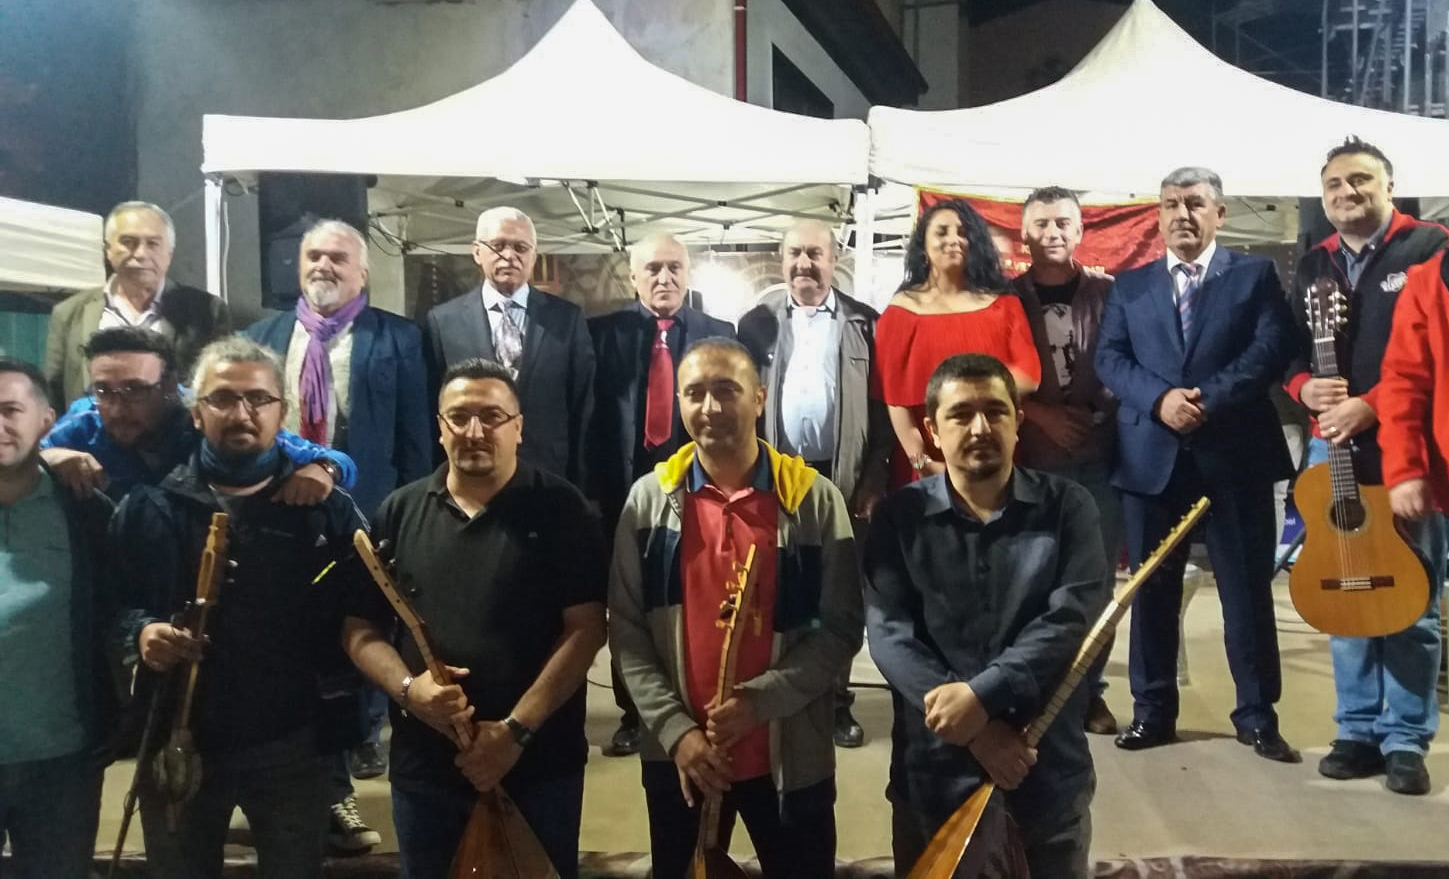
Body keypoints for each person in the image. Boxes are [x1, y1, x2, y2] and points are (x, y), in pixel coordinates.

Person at [111, 336, 369, 878]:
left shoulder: (326, 511)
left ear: (283, 410)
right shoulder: (150, 506)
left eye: (258, 399)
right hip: (179, 737)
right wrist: (142, 633)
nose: (241, 413)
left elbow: (367, 611)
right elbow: (112, 603)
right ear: (196, 411)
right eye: (223, 398)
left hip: (295, 744)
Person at [342, 358, 606, 879]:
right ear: (440, 428)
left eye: (492, 416)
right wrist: (409, 691)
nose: (475, 431)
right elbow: (360, 630)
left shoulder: (562, 509)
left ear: (519, 427)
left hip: (538, 765)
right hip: (426, 771)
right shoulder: (398, 512)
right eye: (459, 417)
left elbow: (587, 628)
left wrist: (514, 732)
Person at [609, 338, 863, 879]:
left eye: (727, 390)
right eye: (695, 393)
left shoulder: (814, 501)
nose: (710, 407)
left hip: (790, 758)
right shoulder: (649, 503)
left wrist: (761, 700)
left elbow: (839, 628)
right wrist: (676, 731)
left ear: (760, 398)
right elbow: (628, 632)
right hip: (683, 759)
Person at [865, 353, 1110, 878]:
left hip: (1043, 775)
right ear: (932, 430)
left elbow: (1071, 620)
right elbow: (889, 635)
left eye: (995, 411)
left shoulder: (1069, 508)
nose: (980, 428)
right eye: (961, 414)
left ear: (1018, 421)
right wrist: (979, 733)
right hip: (933, 779)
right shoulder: (898, 518)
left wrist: (980, 697)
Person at [1095, 166, 1299, 762]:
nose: (1182, 214)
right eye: (1170, 204)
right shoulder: (1129, 286)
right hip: (1150, 459)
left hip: (1235, 456)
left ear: (1219, 213)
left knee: (1246, 595)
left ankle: (1257, 717)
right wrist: (1160, 400)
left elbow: (1270, 349)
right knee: (1151, 593)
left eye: (1194, 203)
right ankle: (1153, 712)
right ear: (1158, 215)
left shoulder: (1255, 275)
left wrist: (1206, 399)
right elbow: (1110, 358)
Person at [245, 218, 431, 842]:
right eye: (314, 256)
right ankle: (315, 778)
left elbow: (415, 438)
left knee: (364, 629)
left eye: (338, 258)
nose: (323, 266)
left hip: (365, 514)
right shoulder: (261, 338)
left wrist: (410, 513)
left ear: (363, 272)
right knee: (293, 647)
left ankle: (362, 736)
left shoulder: (398, 338)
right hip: (279, 522)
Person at [1285, 137, 1448, 795]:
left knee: (1412, 599)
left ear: (1388, 185)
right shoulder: (1313, 262)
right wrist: (1303, 387)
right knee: (1342, 586)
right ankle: (1354, 728)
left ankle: (1405, 737)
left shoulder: (1429, 248)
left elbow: (1423, 361)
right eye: (1333, 184)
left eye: (1359, 180)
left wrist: (1369, 406)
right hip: (1331, 448)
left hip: (1407, 453)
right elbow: (1289, 350)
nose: (1346, 193)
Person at [736, 220, 890, 749]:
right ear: (782, 260)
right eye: (795, 254)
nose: (804, 264)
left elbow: (880, 408)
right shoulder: (756, 324)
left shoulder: (865, 323)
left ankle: (837, 702)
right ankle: (782, 697)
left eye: (815, 254)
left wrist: (874, 477)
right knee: (779, 591)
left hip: (842, 479)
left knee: (837, 596)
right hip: (778, 478)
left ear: (834, 258)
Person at [588, 233, 734, 756]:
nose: (664, 278)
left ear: (688, 274)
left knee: (692, 597)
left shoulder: (719, 334)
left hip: (698, 490)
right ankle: (634, 712)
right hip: (621, 491)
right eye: (653, 268)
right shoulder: (600, 334)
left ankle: (696, 700)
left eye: (674, 267)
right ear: (633, 276)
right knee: (629, 603)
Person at [0, 357, 117, 879]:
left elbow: (121, 609)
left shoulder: (87, 512)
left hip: (61, 761)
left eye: (10, 410)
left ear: (47, 419)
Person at [1011, 186, 1121, 736]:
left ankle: (1088, 692)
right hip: (1031, 459)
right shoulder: (1004, 299)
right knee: (1033, 582)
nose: (1052, 232)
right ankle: (1036, 692)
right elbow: (990, 371)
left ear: (1080, 231)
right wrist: (1039, 415)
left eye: (1063, 223)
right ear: (1023, 234)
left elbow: (1128, 359)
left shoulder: (1110, 293)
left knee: (1094, 583)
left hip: (1100, 458)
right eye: (1042, 224)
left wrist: (1100, 413)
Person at [41, 326, 355, 505]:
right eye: (104, 391)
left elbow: (337, 460)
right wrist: (51, 457)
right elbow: (23, 457)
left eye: (135, 390)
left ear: (170, 387)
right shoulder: (85, 422)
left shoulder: (210, 416)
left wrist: (324, 469)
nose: (117, 408)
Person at [873, 198, 1040, 489]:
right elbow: (894, 400)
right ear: (923, 246)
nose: (953, 239)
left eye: (963, 232)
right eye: (942, 232)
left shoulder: (1003, 304)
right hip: (926, 463)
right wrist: (921, 461)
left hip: (993, 450)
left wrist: (962, 397)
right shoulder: (900, 312)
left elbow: (1030, 376)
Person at [424, 207, 595, 486]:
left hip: (548, 475)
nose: (509, 256)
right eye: (498, 245)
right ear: (477, 251)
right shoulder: (443, 322)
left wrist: (581, 482)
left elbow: (582, 405)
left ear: (533, 256)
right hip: (470, 472)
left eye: (520, 248)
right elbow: (433, 405)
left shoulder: (567, 319)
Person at [45, 201, 230, 405]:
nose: (141, 254)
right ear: (107, 250)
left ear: (169, 253)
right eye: (128, 242)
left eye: (153, 244)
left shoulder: (206, 311)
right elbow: (53, 393)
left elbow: (224, 386)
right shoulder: (69, 313)